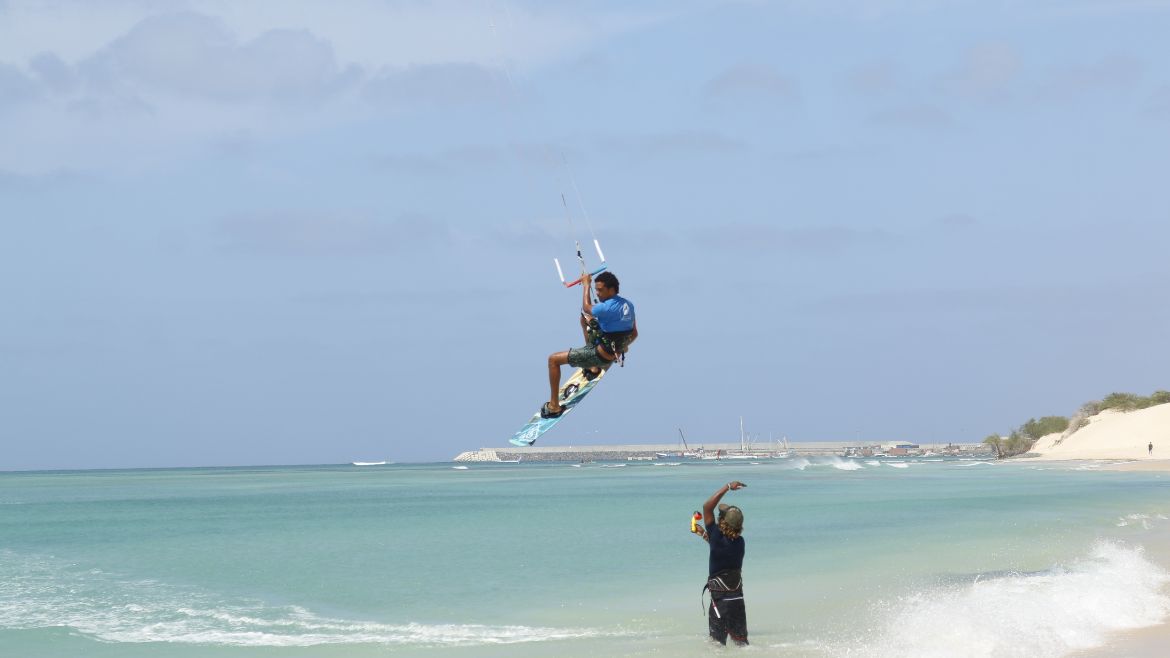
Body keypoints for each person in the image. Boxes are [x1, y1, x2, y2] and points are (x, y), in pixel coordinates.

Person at [541, 271, 637, 418]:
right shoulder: (628, 305)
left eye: (600, 290)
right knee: (585, 319)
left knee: (553, 360)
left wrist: (586, 284)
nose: (597, 293)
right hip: (615, 347)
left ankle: (554, 406)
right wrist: (621, 347)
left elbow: (587, 306)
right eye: (596, 289)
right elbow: (634, 333)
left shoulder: (606, 307)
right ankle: (592, 367)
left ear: (611, 290)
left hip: (601, 354)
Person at [702, 480, 748, 646]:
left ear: (722, 522)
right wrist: (706, 536)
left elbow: (707, 507)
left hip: (719, 602)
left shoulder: (715, 536)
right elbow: (723, 550)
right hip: (737, 600)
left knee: (717, 646)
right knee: (741, 644)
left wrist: (728, 487)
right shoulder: (741, 542)